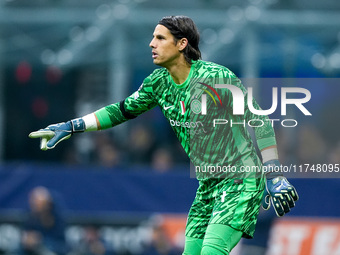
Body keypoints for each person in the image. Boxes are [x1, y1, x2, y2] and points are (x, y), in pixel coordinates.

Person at [29, 16, 298, 255]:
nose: (151, 44)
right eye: (152, 37)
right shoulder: (157, 83)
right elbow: (119, 111)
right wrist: (71, 126)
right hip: (208, 186)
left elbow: (259, 119)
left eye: (159, 38)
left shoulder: (216, 77)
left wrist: (273, 173)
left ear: (182, 44)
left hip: (241, 181)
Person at [20, 186, 68, 255]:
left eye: (38, 202)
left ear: (47, 203)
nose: (35, 205)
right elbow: (26, 235)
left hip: (55, 248)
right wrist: (27, 240)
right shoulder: (29, 217)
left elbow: (61, 242)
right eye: (33, 202)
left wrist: (40, 240)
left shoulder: (57, 217)